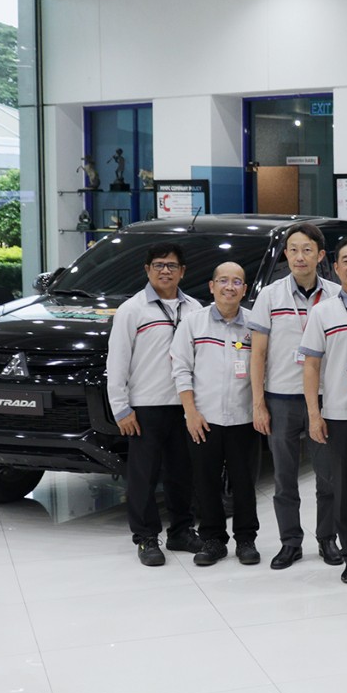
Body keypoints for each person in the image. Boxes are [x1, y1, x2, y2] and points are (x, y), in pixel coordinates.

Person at [248, 223, 342, 570]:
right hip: (282, 398)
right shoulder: (271, 296)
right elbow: (257, 354)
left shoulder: (336, 295)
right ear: (285, 255)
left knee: (328, 476)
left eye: (307, 250)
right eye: (293, 249)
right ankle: (290, 541)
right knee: (284, 477)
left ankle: (327, 539)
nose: (299, 256)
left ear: (320, 256)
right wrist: (259, 403)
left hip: (324, 398)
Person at [107, 242, 203, 565]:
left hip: (185, 406)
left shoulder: (195, 309)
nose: (165, 270)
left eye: (172, 265)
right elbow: (117, 361)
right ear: (147, 270)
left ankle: (181, 530)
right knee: (143, 475)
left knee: (182, 473)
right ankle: (147, 537)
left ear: (182, 271)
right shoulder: (132, 310)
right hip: (145, 407)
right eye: (159, 265)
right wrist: (121, 407)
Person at [298, 236, 347, 583]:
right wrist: (314, 414)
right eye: (346, 260)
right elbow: (311, 366)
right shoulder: (323, 312)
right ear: (336, 267)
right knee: (343, 493)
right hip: (340, 417)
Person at [171, 262, 259, 566]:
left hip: (244, 418)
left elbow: (264, 368)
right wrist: (190, 412)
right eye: (223, 280)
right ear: (212, 286)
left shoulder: (255, 325)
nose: (229, 287)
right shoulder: (194, 323)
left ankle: (246, 539)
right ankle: (212, 539)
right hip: (203, 419)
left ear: (244, 290)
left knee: (245, 481)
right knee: (205, 481)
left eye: (237, 282)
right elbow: (180, 368)